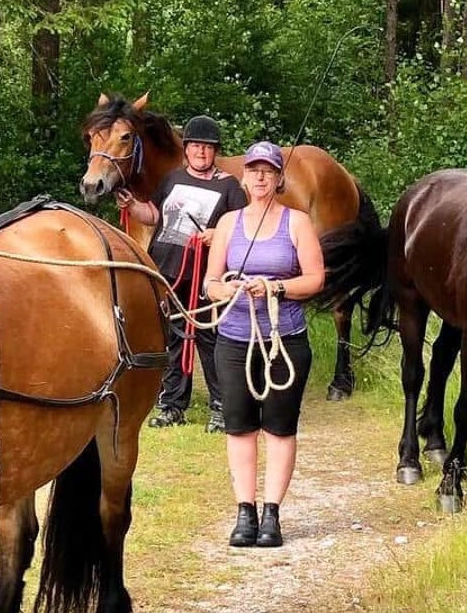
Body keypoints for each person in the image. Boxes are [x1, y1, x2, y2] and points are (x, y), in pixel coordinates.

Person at [202, 141, 325, 547]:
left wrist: (275, 287)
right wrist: (229, 290)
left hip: (282, 339)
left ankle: (272, 512)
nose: (259, 176)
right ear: (244, 177)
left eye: (267, 171)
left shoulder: (297, 223)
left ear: (278, 179)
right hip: (234, 339)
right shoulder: (228, 224)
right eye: (253, 170)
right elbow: (210, 283)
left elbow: (314, 280)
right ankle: (245, 511)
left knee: (278, 426)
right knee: (238, 427)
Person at [119, 115, 246, 431]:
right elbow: (153, 215)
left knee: (208, 339)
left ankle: (221, 405)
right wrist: (132, 204)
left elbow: (240, 228)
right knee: (173, 338)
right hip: (168, 272)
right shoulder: (173, 180)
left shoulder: (229, 186)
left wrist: (217, 234)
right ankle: (173, 404)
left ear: (215, 151)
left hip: (204, 276)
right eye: (196, 147)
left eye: (208, 147)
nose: (202, 152)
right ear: (187, 149)